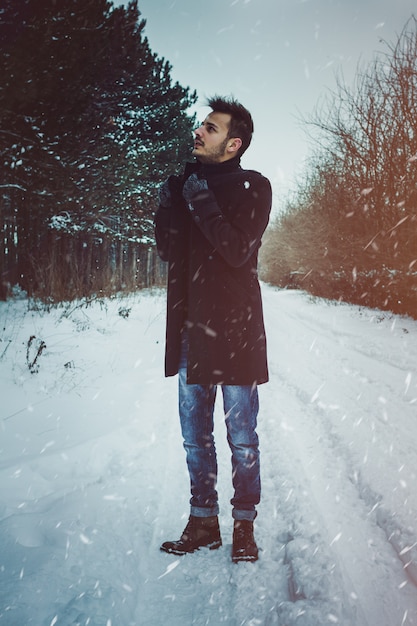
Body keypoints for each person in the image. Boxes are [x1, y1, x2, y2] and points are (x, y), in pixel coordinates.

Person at [154, 96, 272, 562]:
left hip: (237, 332)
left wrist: (199, 199)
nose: (198, 131)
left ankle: (244, 525)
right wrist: (168, 206)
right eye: (201, 124)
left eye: (210, 127)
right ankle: (203, 521)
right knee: (194, 435)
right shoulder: (186, 185)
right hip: (190, 331)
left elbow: (237, 250)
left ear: (234, 143)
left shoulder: (254, 187)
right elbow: (168, 251)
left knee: (242, 438)